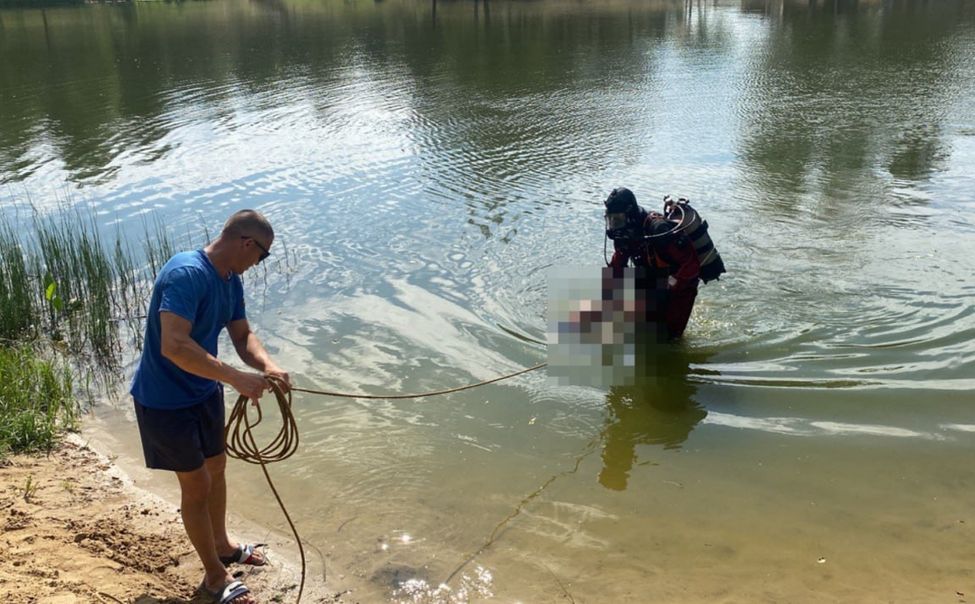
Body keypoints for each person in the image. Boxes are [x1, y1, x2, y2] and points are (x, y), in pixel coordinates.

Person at [130, 209, 291, 604]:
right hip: (164, 401)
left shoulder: (229, 280)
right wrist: (236, 378)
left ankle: (222, 544)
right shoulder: (187, 274)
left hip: (203, 392)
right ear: (246, 243)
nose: (259, 264)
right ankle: (215, 579)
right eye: (263, 255)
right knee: (197, 483)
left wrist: (268, 366)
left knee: (217, 467)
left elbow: (242, 334)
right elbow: (174, 345)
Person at [603, 186, 704, 340]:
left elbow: (691, 265)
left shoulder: (659, 229)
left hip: (681, 284)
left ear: (630, 214)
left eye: (617, 219)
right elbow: (618, 264)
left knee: (669, 339)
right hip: (653, 277)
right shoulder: (625, 233)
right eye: (610, 220)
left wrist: (671, 286)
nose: (614, 225)